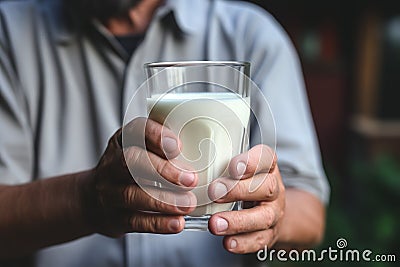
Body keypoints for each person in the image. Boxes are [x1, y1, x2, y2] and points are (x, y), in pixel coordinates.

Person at [0, 0, 330, 266]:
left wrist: (272, 217)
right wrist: (85, 199)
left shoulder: (250, 35)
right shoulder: (10, 32)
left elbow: (309, 210)